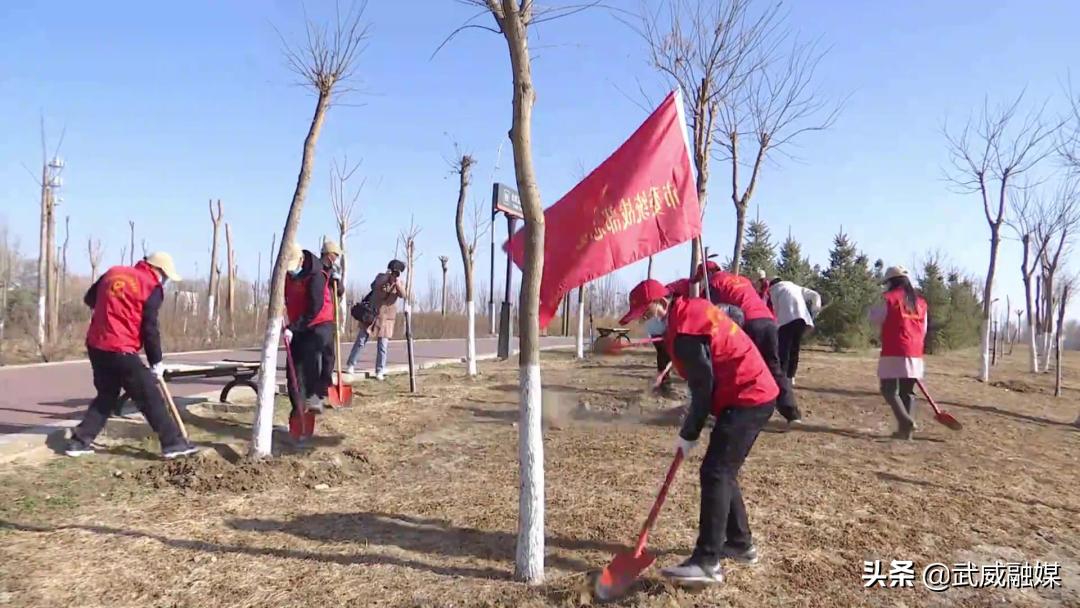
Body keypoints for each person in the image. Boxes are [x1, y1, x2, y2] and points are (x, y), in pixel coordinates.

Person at [620, 279, 778, 585]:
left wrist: (689, 431)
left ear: (662, 303)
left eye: (645, 311)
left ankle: (707, 561)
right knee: (722, 470)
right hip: (748, 392)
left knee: (716, 472)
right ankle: (740, 543)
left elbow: (702, 387)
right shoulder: (689, 312)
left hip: (748, 395)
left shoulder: (685, 331)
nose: (644, 319)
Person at [65, 252, 198, 459]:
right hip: (122, 348)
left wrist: (111, 309)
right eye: (166, 276)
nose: (166, 280)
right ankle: (173, 443)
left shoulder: (113, 272)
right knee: (150, 396)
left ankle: (79, 442)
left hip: (97, 345)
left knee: (107, 395)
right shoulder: (151, 287)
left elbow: (89, 299)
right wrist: (156, 362)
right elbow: (150, 327)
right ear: (158, 270)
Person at [694, 262, 801, 424]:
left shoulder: (713, 284)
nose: (702, 282)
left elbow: (708, 310)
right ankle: (792, 414)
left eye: (701, 278)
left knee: (736, 367)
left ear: (706, 274)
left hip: (749, 323)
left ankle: (723, 409)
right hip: (769, 322)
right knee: (774, 368)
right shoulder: (742, 280)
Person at [869, 265, 928, 440]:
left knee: (888, 389)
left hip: (895, 348)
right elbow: (924, 329)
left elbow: (875, 318)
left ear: (891, 282)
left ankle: (905, 421)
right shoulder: (921, 302)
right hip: (915, 351)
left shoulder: (888, 298)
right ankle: (905, 434)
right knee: (907, 391)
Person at [284, 240, 342, 413]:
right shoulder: (285, 274)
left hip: (319, 320)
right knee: (293, 368)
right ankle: (298, 410)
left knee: (316, 356)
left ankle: (316, 395)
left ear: (301, 260)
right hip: (298, 324)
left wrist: (293, 327)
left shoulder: (316, 274)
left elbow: (314, 308)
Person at [345, 259, 407, 380]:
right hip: (372, 315)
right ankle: (351, 364)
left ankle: (380, 370)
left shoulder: (400, 283)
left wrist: (397, 283)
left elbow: (403, 295)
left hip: (387, 319)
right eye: (394, 272)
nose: (395, 275)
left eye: (397, 273)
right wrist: (387, 277)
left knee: (382, 346)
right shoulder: (381, 277)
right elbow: (374, 285)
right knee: (361, 340)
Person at [768, 277, 822, 386]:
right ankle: (791, 376)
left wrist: (774, 324)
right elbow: (815, 295)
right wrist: (815, 310)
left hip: (786, 321)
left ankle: (782, 376)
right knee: (794, 349)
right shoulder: (796, 287)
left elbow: (775, 309)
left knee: (784, 350)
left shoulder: (774, 290)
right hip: (801, 320)